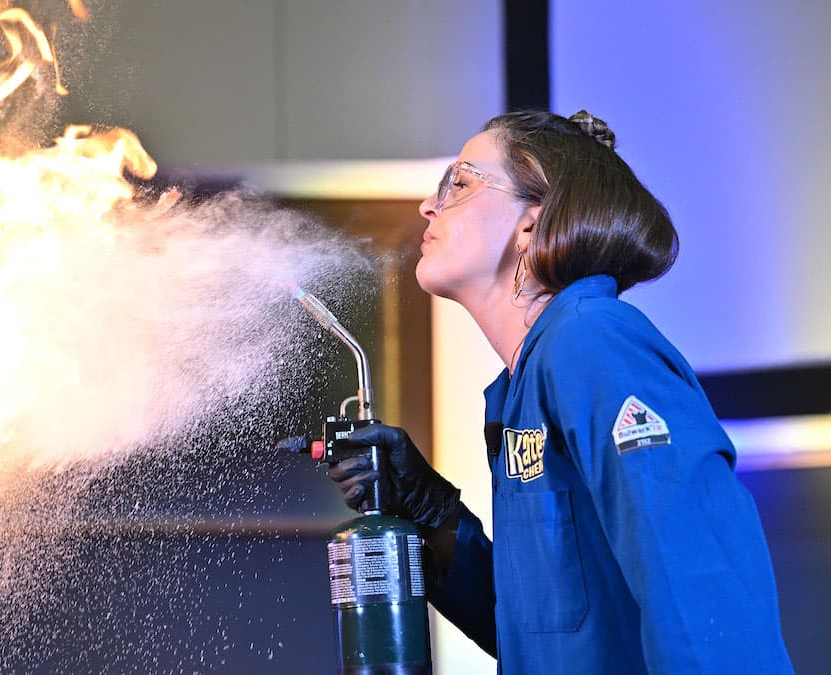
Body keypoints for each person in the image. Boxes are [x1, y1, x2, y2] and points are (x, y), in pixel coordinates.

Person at [328, 110, 793, 673]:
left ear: (532, 221)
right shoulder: (523, 389)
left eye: (461, 182)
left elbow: (699, 577)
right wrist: (431, 509)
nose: (430, 206)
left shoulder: (594, 340)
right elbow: (541, 631)